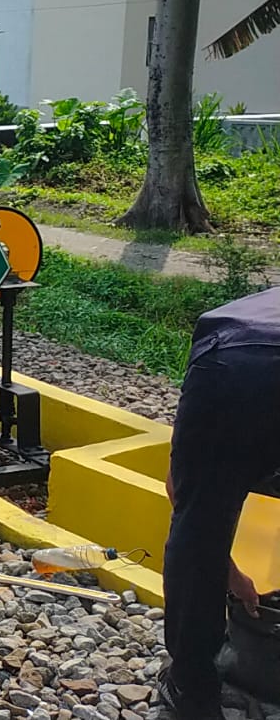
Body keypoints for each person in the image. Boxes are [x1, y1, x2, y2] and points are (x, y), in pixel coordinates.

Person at [158, 286, 280, 719]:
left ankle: (192, 690)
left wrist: (224, 572)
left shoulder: (243, 317)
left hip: (229, 363)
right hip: (234, 356)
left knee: (200, 519)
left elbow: (183, 494)